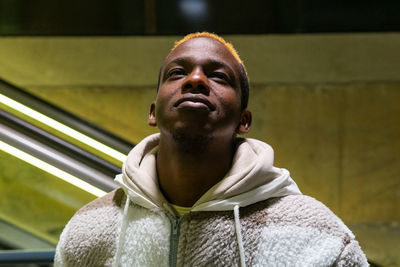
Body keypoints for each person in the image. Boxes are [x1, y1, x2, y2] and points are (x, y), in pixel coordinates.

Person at [54, 32, 368, 266]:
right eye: (178, 73)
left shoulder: (317, 235)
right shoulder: (88, 231)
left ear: (244, 121)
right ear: (153, 112)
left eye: (218, 76)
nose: (195, 79)